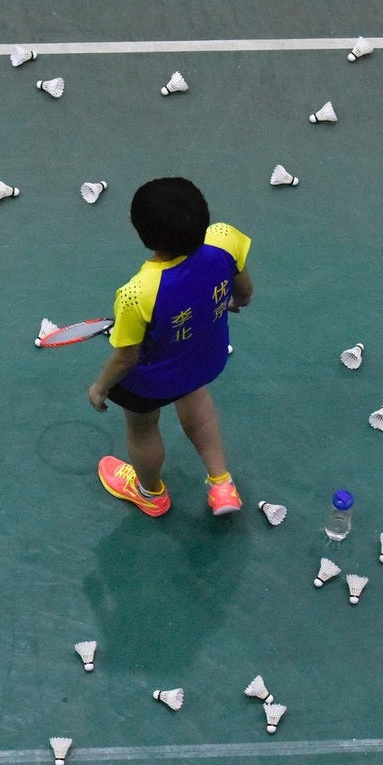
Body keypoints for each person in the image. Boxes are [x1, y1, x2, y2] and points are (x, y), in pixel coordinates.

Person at [88, 177, 252, 517]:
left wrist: (100, 388)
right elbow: (245, 291)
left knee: (142, 427)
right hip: (202, 356)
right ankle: (221, 485)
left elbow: (125, 357)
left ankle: (150, 492)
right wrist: (235, 299)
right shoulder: (224, 239)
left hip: (150, 380)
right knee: (197, 401)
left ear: (141, 234)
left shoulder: (138, 292)